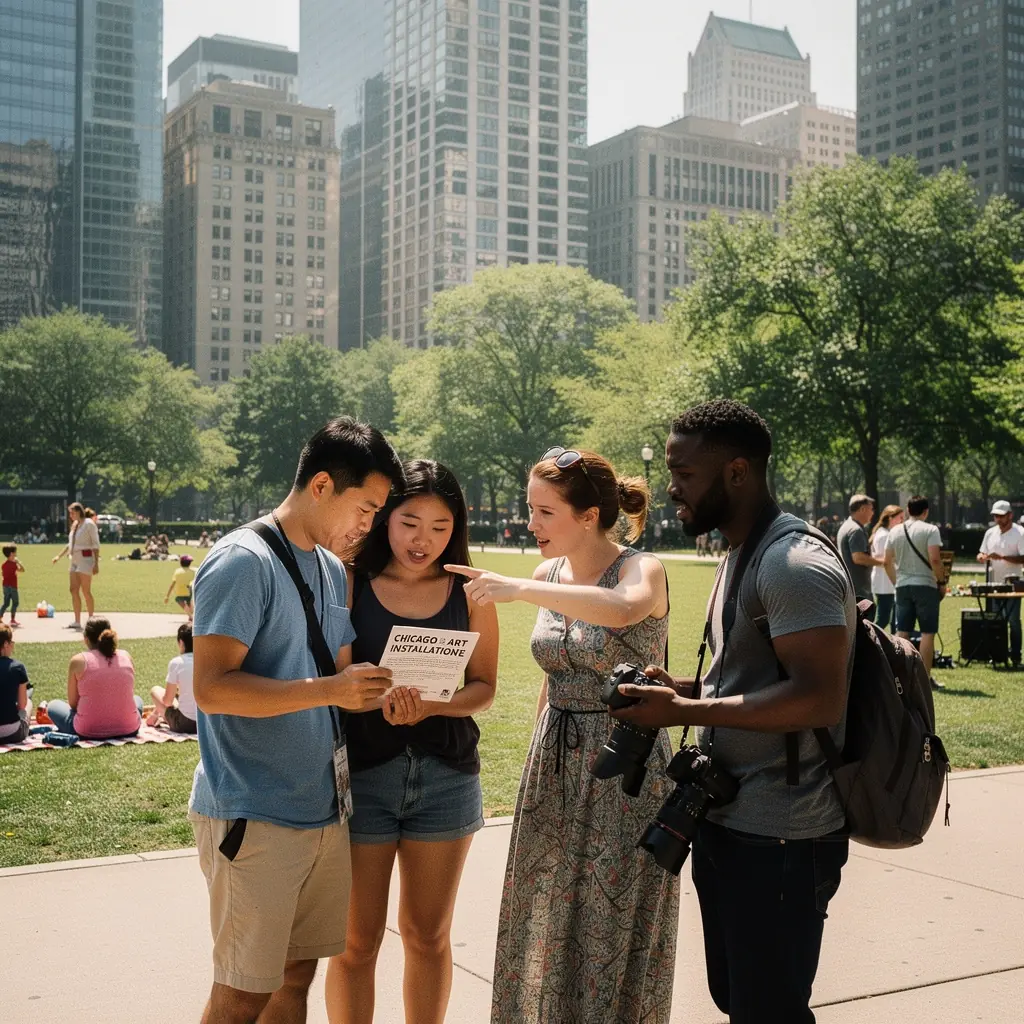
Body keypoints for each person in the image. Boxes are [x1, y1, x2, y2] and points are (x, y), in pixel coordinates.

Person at [610, 400, 856, 1024]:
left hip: (782, 834)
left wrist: (684, 708)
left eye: (685, 474)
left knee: (768, 1009)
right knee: (739, 1000)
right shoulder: (740, 551)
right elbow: (751, 676)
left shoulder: (794, 563)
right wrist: (680, 686)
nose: (670, 489)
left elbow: (818, 697)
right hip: (729, 818)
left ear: (738, 472)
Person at [447, 447, 677, 1024]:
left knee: (610, 913)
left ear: (589, 516)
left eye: (545, 512)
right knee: (544, 906)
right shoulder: (547, 573)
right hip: (554, 756)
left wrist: (519, 590)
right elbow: (556, 677)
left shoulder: (640, 569)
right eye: (531, 509)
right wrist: (535, 755)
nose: (531, 524)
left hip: (626, 761)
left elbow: (622, 611)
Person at [189, 416, 403, 1024]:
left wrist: (381, 689)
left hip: (322, 807)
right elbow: (212, 689)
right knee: (241, 996)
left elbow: (335, 682)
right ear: (321, 486)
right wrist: (332, 688)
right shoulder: (241, 561)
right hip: (253, 812)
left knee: (293, 982)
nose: (369, 525)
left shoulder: (333, 569)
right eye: (365, 508)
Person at [326, 460, 499, 1024]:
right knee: (356, 941)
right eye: (409, 522)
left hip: (447, 777)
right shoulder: (349, 582)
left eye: (440, 527)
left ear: (458, 529)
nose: (422, 539)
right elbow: (337, 681)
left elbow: (484, 688)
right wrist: (373, 695)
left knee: (427, 936)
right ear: (384, 520)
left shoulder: (473, 591)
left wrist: (431, 705)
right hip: (366, 773)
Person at [884, 496, 946, 688]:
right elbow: (935, 559)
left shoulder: (895, 531)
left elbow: (887, 562)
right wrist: (941, 582)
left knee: (902, 631)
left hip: (903, 584)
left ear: (908, 510)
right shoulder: (930, 530)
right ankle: (924, 679)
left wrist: (897, 582)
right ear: (925, 511)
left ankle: (902, 677)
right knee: (928, 633)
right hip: (925, 584)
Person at [45, 618, 143, 738]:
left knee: (53, 705)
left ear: (86, 639)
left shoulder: (78, 661)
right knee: (137, 699)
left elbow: (73, 704)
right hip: (129, 727)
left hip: (87, 730)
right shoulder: (126, 656)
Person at [977, 499, 1024, 668]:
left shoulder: (1020, 532)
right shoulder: (990, 533)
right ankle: (998, 653)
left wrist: (1002, 557)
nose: (998, 519)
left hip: (1013, 584)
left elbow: (1022, 557)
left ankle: (1016, 655)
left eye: (1001, 516)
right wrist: (982, 556)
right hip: (993, 583)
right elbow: (982, 552)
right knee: (996, 621)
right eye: (996, 516)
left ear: (1010, 515)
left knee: (1013, 621)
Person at [52, 502, 101, 630]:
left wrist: (96, 563)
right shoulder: (75, 525)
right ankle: (77, 621)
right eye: (70, 513)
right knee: (73, 589)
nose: (71, 515)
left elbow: (95, 545)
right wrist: (59, 556)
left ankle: (91, 620)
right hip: (74, 559)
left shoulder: (89, 524)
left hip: (86, 559)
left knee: (86, 591)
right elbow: (70, 544)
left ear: (79, 511)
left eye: (73, 512)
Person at [147, 622, 198, 733]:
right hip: (205, 723)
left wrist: (157, 712)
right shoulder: (207, 661)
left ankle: (155, 717)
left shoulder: (177, 663)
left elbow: (168, 701)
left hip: (183, 724)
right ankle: (155, 715)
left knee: (155, 690)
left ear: (181, 642)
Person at [836, 494, 880, 610]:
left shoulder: (846, 526)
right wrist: (882, 561)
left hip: (851, 587)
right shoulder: (856, 530)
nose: (873, 513)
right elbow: (858, 557)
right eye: (871, 509)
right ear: (862, 509)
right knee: (864, 624)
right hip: (859, 589)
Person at [870, 505, 904, 632]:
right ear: (890, 518)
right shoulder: (884, 535)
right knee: (883, 619)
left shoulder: (885, 533)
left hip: (886, 581)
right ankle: (869, 641)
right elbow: (884, 559)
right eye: (900, 518)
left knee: (892, 618)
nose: (902, 521)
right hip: (885, 582)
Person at [0, 625, 32, 744]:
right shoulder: (17, 667)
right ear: (5, 644)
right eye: (11, 642)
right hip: (12, 733)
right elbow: (22, 705)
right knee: (28, 702)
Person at [164, 553, 196, 620]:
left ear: (180, 563)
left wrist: (167, 596)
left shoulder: (177, 571)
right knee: (190, 602)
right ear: (190, 563)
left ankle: (190, 616)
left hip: (180, 592)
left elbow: (172, 585)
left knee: (178, 599)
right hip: (191, 592)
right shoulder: (194, 571)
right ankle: (192, 614)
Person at [1, 544, 25, 626]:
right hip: (13, 587)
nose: (16, 554)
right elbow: (22, 570)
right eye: (15, 552)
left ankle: (0, 617)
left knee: (6, 603)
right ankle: (12, 619)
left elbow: (3, 575)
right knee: (15, 603)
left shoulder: (3, 565)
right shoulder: (14, 564)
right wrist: (18, 562)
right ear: (11, 554)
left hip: (5, 586)